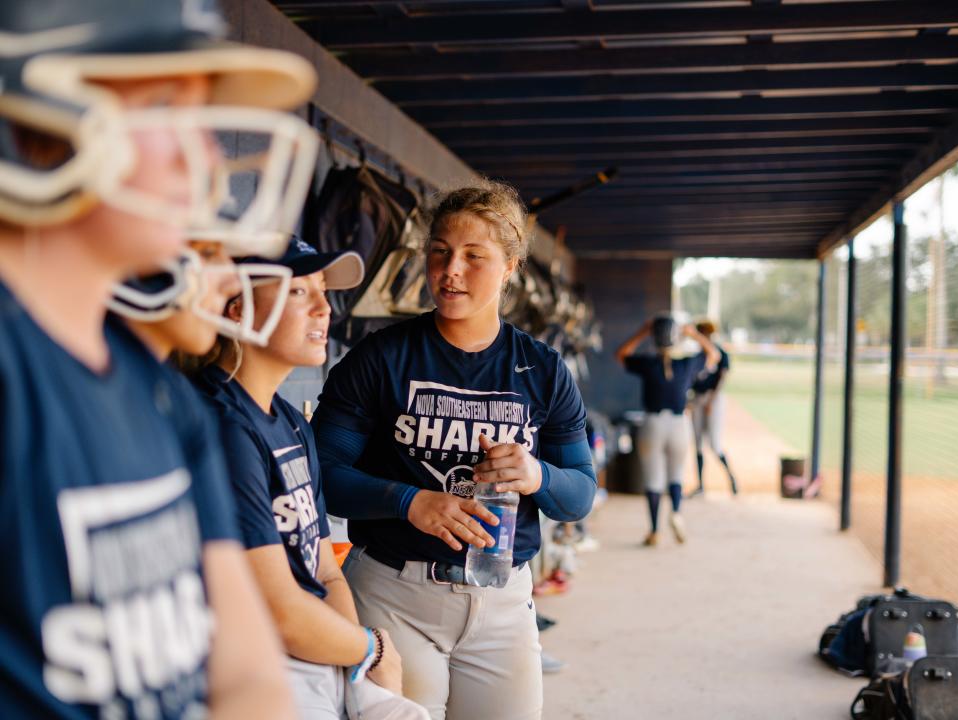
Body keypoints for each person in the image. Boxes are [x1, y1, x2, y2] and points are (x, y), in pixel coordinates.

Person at [0, 0, 319, 716]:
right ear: (32, 125)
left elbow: (245, 677)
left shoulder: (162, 395)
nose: (206, 160)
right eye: (166, 106)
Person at [311, 180, 597, 720]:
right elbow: (321, 475)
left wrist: (536, 475)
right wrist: (408, 501)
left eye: (474, 256)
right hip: (395, 592)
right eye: (439, 252)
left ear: (510, 266)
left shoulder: (542, 369)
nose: (451, 270)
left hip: (503, 597)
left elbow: (580, 495)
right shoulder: (380, 358)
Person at [190, 237, 429, 720]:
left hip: (321, 658)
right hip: (255, 672)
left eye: (323, 290)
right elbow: (279, 612)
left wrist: (356, 680)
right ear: (236, 309)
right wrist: (373, 648)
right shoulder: (220, 422)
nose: (325, 309)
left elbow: (324, 571)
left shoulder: (291, 422)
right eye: (300, 292)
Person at [615, 316, 719, 547]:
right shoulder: (686, 364)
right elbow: (714, 354)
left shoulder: (649, 363)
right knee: (676, 474)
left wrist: (643, 331)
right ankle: (676, 513)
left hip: (653, 423)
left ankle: (654, 530)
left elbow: (621, 354)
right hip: (679, 423)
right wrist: (692, 333)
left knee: (653, 478)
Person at [688, 320, 738, 497]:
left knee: (715, 444)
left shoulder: (719, 353)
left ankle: (732, 479)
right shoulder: (697, 357)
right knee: (698, 443)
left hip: (713, 399)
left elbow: (722, 377)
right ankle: (700, 486)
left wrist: (712, 400)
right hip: (698, 399)